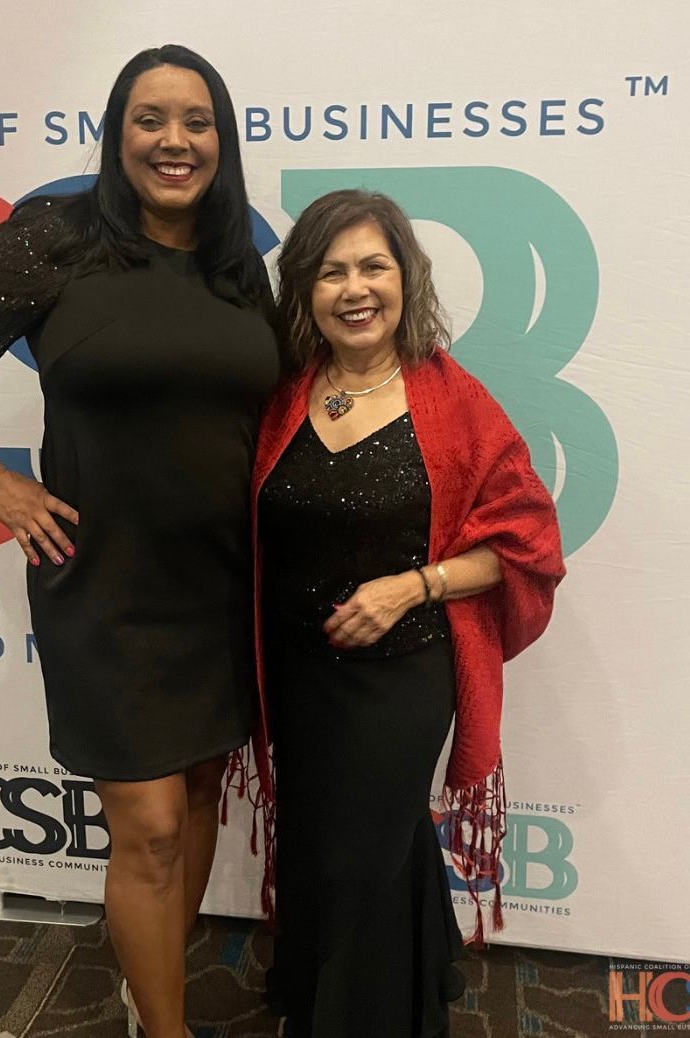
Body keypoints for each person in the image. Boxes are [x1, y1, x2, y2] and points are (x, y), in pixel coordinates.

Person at [0, 45, 279, 1038]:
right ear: (117, 134)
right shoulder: (56, 239)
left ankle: (153, 1005)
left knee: (191, 810)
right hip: (102, 584)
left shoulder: (238, 269)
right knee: (144, 828)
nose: (173, 141)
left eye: (196, 122)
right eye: (150, 119)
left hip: (221, 585)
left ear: (221, 142)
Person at [252, 190, 565, 1037]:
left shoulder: (453, 401)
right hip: (299, 676)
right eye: (331, 271)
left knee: (360, 854)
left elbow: (527, 543)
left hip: (402, 679)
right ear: (306, 292)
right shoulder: (283, 395)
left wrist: (411, 585)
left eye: (373, 266)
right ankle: (406, 987)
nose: (355, 289)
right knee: (331, 847)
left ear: (405, 278)